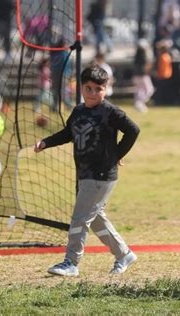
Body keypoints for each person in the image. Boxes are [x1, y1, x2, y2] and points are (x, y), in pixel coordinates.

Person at [34, 65, 140, 277]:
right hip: (84, 172)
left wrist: (116, 154)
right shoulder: (78, 111)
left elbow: (133, 130)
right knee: (96, 218)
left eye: (98, 89)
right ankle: (124, 254)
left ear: (106, 89)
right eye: (88, 88)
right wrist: (46, 142)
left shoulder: (111, 112)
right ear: (81, 87)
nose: (92, 93)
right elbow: (68, 133)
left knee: (80, 218)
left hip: (102, 174)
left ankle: (71, 262)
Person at [132, 39, 155, 112]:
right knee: (150, 90)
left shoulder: (136, 56)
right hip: (143, 76)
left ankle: (139, 105)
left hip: (135, 76)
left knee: (139, 91)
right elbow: (147, 66)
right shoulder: (144, 56)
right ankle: (139, 103)